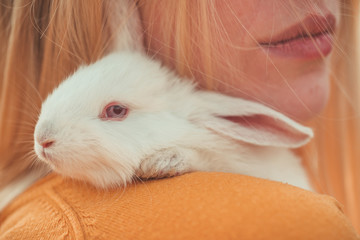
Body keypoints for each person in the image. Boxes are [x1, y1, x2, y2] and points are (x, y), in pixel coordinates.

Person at [0, 0, 359, 239]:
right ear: (121, 10)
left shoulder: (29, 215)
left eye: (116, 111)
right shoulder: (287, 224)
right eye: (115, 111)